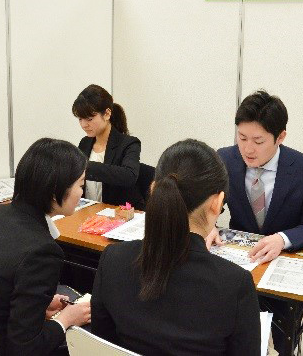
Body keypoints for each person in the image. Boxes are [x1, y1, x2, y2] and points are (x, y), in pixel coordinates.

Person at [91, 139, 260, 356]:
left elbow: (101, 345)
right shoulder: (234, 284)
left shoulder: (112, 260)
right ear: (217, 203)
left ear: (153, 190)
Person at [210, 90, 303, 354]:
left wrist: (282, 239)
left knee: (275, 332)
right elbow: (209, 202)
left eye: (258, 140)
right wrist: (208, 226)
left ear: (280, 137)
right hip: (240, 264)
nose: (247, 148)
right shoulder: (226, 158)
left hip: (280, 269)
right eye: (241, 137)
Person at [0, 138, 91, 356]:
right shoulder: (42, 252)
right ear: (54, 191)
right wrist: (65, 319)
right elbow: (25, 347)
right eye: (80, 185)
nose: (82, 192)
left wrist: (38, 303)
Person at [72, 84, 144, 209]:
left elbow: (129, 176)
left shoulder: (129, 143)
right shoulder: (85, 143)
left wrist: (85, 167)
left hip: (117, 213)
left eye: (89, 119)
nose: (84, 125)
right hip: (88, 211)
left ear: (106, 114)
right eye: (80, 119)